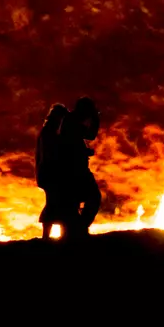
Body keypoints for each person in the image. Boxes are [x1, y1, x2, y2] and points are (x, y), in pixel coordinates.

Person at [56, 96, 103, 239]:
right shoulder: (71, 121)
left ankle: (76, 231)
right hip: (75, 170)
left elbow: (86, 136)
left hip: (73, 168)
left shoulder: (70, 121)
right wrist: (96, 119)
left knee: (75, 202)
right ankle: (79, 229)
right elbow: (90, 135)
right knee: (93, 197)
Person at [35, 104, 72, 239]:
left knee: (55, 205)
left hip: (47, 174)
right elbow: (50, 155)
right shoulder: (49, 133)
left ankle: (51, 236)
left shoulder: (48, 132)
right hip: (50, 174)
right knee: (54, 205)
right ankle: (49, 236)